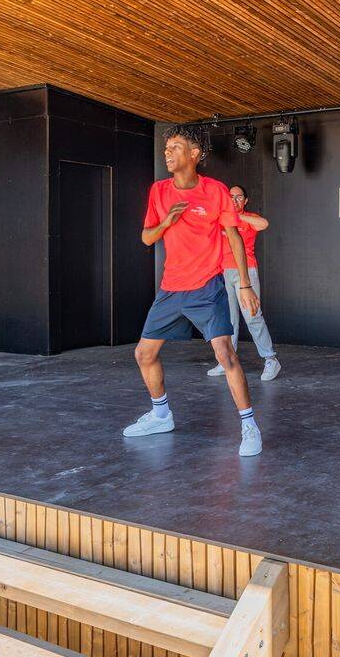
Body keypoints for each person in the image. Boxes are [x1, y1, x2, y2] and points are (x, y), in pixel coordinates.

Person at [123, 126, 263, 457]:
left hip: (207, 286)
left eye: (175, 147)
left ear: (194, 154)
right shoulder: (158, 191)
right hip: (171, 289)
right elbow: (146, 237)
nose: (167, 153)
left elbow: (234, 237)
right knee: (144, 354)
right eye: (166, 148)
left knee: (225, 354)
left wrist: (244, 284)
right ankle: (161, 415)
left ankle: (249, 425)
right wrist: (166, 222)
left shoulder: (215, 191)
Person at [205, 184, 281, 381]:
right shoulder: (219, 218)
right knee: (228, 320)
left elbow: (264, 224)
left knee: (252, 316)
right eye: (231, 197)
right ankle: (227, 361)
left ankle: (270, 359)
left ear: (245, 201)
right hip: (222, 272)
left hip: (245, 272)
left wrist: (234, 217)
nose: (235, 200)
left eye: (239, 197)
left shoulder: (249, 218)